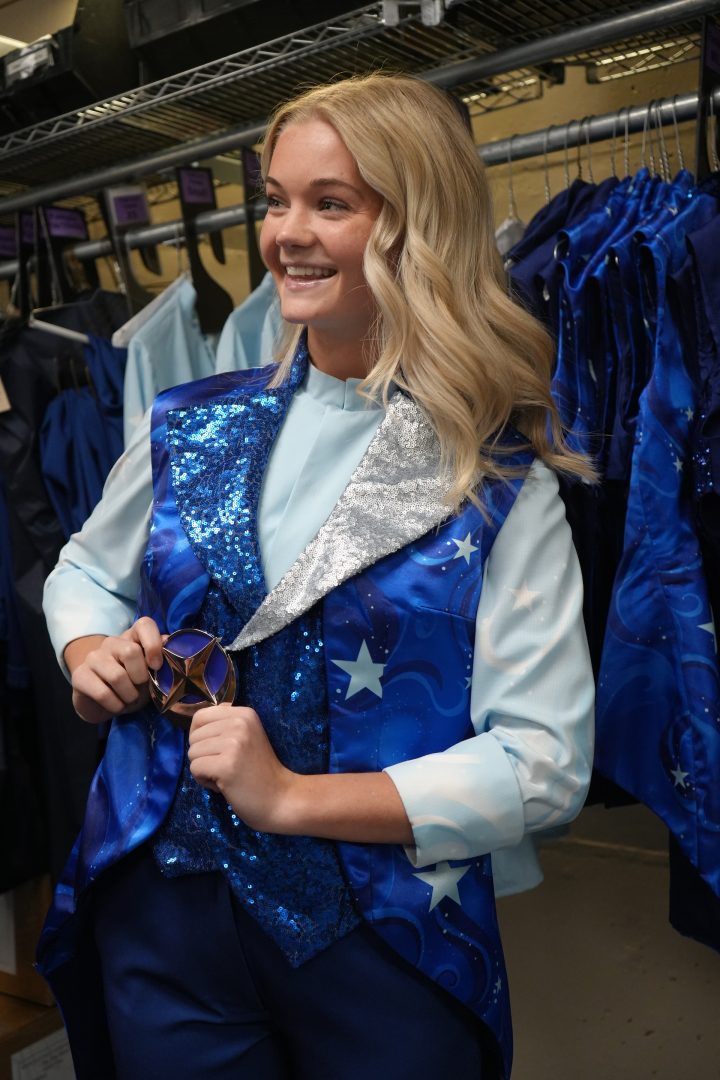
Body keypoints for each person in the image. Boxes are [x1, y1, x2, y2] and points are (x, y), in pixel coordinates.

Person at [39, 74, 595, 1080]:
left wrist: (293, 798)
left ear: (419, 225)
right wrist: (90, 650)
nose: (286, 232)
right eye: (276, 199)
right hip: (161, 918)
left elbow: (545, 763)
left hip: (382, 937)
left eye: (330, 203)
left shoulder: (497, 484)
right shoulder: (187, 424)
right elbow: (84, 569)